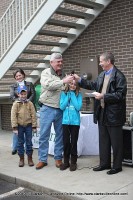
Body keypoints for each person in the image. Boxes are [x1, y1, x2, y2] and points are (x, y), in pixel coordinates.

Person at [74, 52, 127, 175]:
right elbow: (93, 85)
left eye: (101, 61)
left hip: (114, 115)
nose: (100, 63)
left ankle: (117, 166)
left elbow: (120, 95)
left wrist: (103, 96)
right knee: (104, 140)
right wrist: (80, 80)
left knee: (116, 142)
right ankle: (105, 163)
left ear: (108, 61)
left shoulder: (119, 76)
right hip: (102, 112)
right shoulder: (102, 74)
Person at [36, 52, 74, 170]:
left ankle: (58, 158)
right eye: (58, 61)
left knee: (60, 135)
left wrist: (71, 83)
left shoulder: (64, 75)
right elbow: (48, 85)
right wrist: (63, 81)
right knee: (44, 135)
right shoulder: (45, 73)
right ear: (51, 62)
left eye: (61, 61)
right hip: (47, 107)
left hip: (60, 109)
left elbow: (65, 89)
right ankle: (42, 159)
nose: (60, 63)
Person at [10, 68, 36, 155]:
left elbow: (33, 94)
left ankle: (25, 148)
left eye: (20, 75)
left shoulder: (29, 84)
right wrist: (20, 100)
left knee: (27, 132)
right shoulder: (13, 86)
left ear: (23, 75)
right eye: (16, 76)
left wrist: (27, 100)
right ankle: (15, 147)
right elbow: (12, 97)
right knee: (17, 130)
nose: (18, 77)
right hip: (18, 109)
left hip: (28, 107)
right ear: (15, 78)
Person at [11, 85, 37, 167]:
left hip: (28, 125)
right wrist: (14, 127)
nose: (23, 96)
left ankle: (30, 158)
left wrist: (34, 126)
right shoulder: (16, 104)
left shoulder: (30, 104)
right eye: (21, 94)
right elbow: (13, 116)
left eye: (24, 94)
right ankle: (21, 159)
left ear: (27, 94)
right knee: (20, 143)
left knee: (29, 142)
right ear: (18, 94)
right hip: (19, 126)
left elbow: (33, 115)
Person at [59, 79, 82, 171]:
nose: (72, 85)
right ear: (68, 84)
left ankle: (73, 162)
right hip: (65, 122)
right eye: (71, 84)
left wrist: (72, 95)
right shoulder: (63, 94)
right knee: (66, 143)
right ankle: (66, 162)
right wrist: (67, 96)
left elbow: (78, 107)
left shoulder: (78, 95)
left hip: (75, 123)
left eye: (74, 84)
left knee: (73, 143)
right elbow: (62, 107)